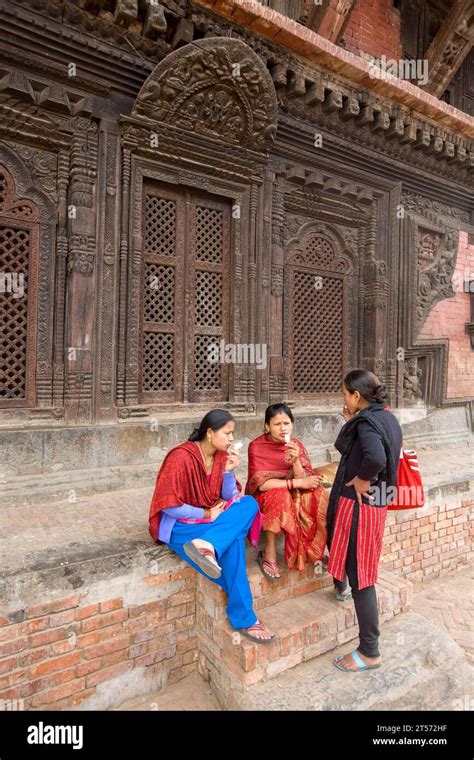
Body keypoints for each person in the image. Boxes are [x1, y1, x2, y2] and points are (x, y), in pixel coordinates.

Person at [148, 409, 275, 644]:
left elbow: (230, 495)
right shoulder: (181, 457)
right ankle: (245, 618)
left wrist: (228, 472)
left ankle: (208, 545)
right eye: (227, 433)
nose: (230, 439)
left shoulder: (220, 457)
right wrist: (206, 512)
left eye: (232, 434)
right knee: (235, 540)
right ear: (209, 432)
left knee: (248, 504)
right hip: (181, 526)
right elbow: (168, 505)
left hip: (210, 524)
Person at [327, 370, 402, 672]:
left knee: (362, 577)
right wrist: (352, 421)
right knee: (357, 566)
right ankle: (340, 585)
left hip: (363, 505)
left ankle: (369, 650)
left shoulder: (368, 422)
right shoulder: (386, 417)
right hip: (378, 502)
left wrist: (360, 479)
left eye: (345, 394)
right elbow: (369, 448)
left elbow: (375, 459)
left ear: (356, 396)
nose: (344, 399)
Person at [245, 403, 328, 579]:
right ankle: (269, 552)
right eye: (277, 424)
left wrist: (296, 460)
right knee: (280, 495)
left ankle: (312, 550)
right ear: (267, 426)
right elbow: (262, 485)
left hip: (292, 486)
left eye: (287, 423)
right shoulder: (257, 446)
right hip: (266, 494)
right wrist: (296, 482)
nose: (283, 428)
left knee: (318, 494)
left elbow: (305, 478)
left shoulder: (295, 444)